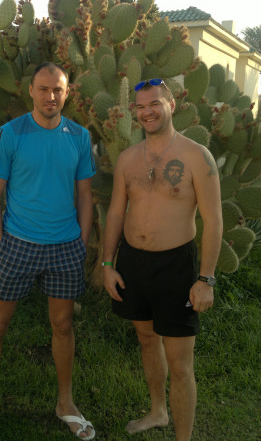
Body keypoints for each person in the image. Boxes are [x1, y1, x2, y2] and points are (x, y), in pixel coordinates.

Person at [0, 62, 96, 441]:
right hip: (17, 244)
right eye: (44, 89)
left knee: (63, 326)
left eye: (58, 89)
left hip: (65, 246)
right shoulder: (11, 133)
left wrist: (81, 242)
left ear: (67, 93)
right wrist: (0, 247)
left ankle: (65, 403)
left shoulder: (79, 136)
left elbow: (85, 195)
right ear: (31, 91)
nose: (51, 96)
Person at [102, 78, 222, 441]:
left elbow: (214, 220)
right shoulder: (128, 158)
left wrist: (206, 279)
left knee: (181, 364)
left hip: (176, 267)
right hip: (133, 263)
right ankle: (158, 411)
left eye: (154, 103)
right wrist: (107, 264)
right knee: (146, 339)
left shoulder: (196, 156)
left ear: (172, 104)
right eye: (140, 107)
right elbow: (116, 213)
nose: (147, 112)